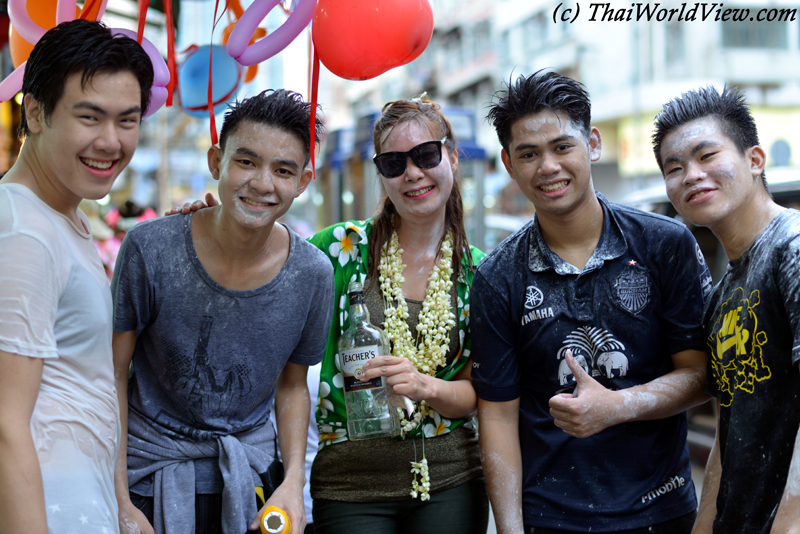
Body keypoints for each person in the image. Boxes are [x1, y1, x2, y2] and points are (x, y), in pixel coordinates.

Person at [471, 70, 713, 534]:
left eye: (562, 147)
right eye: (529, 153)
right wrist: (510, 529)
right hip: (550, 516)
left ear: (593, 144)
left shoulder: (665, 244)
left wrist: (618, 405)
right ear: (508, 163)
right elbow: (498, 413)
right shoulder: (498, 276)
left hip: (660, 509)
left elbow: (700, 376)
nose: (548, 166)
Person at [111, 89, 334, 534]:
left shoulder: (313, 273)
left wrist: (292, 483)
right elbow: (112, 374)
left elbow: (292, 388)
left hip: (251, 481)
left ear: (304, 181)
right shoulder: (149, 250)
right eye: (246, 162)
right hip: (147, 476)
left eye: (283, 170)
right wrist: (118, 498)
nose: (262, 183)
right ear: (217, 162)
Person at [306, 95, 489, 533]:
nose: (412, 173)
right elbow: (262, 251)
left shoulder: (480, 272)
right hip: (350, 482)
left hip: (449, 478)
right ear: (381, 174)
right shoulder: (339, 249)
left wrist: (426, 386)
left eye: (425, 155)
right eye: (393, 163)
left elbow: (480, 394)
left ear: (452, 155)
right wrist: (206, 220)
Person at [0, 19, 153, 534]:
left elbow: (83, 383)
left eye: (127, 121)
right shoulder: (23, 231)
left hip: (82, 505)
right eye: (90, 117)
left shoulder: (64, 215)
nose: (111, 142)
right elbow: (4, 422)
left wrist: (120, 507)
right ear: (36, 112)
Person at [653, 86, 800, 534]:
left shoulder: (791, 247)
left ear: (755, 160)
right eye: (674, 168)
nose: (691, 175)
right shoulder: (720, 296)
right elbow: (729, 425)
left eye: (706, 155)